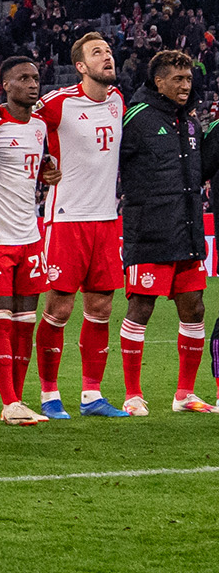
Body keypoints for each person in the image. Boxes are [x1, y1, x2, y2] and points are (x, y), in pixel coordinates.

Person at [113, 50, 219, 416]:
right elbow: (110, 161)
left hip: (187, 232)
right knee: (141, 308)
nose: (186, 86)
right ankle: (132, 394)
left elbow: (201, 168)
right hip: (150, 232)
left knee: (195, 309)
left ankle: (184, 395)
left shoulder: (188, 121)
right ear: (159, 81)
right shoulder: (136, 119)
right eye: (178, 79)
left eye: (189, 79)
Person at [32, 32, 128, 419]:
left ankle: (92, 395)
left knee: (102, 307)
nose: (107, 57)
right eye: (97, 53)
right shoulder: (59, 103)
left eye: (108, 51)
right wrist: (40, 164)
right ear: (81, 66)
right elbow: (17, 122)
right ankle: (49, 394)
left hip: (106, 221)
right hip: (67, 219)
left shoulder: (118, 101)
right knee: (59, 307)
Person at [0, 56, 61, 424]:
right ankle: (9, 402)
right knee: (1, 318)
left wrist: (47, 170)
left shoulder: (40, 126)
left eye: (35, 77)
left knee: (26, 321)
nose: (32, 83)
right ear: (5, 84)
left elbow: (35, 165)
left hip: (31, 236)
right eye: (23, 78)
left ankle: (17, 400)